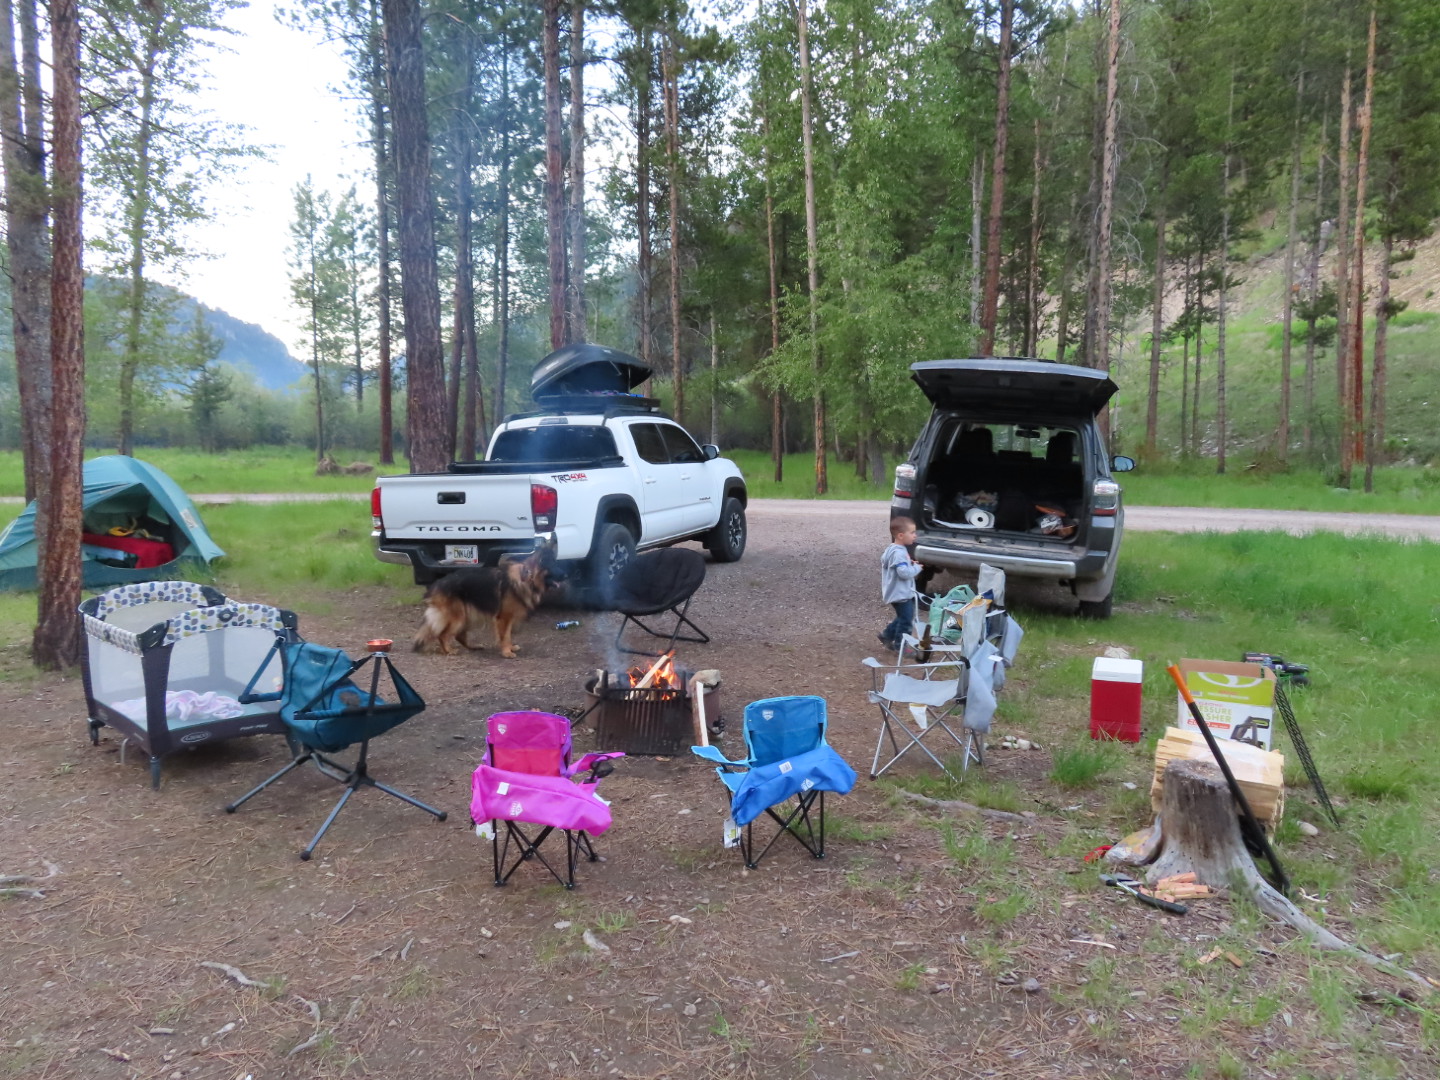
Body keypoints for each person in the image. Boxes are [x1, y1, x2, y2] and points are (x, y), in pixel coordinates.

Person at [879, 516, 923, 651]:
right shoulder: (899, 553)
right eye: (912, 532)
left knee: (903, 617)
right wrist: (917, 568)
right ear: (901, 535)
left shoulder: (893, 549)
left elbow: (898, 566)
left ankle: (887, 635)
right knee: (906, 620)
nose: (915, 535)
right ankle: (901, 646)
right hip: (901, 594)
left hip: (897, 592)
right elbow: (903, 573)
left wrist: (909, 563)